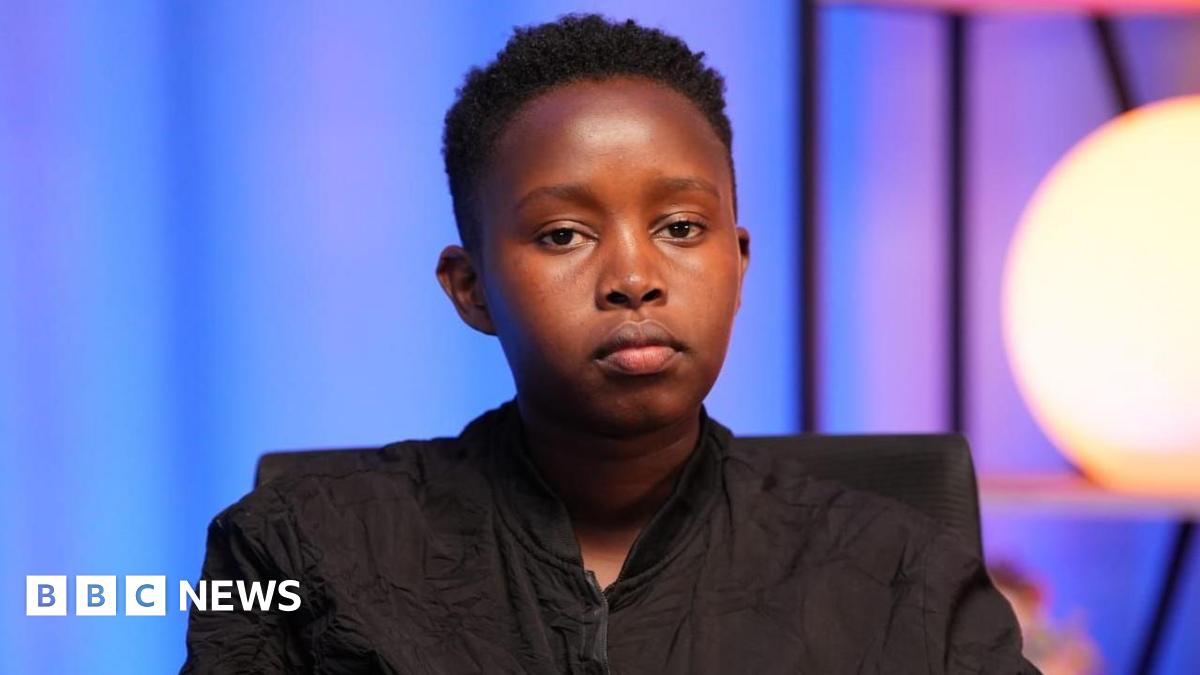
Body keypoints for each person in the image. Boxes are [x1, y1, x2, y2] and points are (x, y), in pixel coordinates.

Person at [181, 14, 1039, 674]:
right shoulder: (299, 550)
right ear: (469, 286)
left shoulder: (904, 579)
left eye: (679, 226)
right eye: (562, 235)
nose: (634, 275)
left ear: (737, 265)